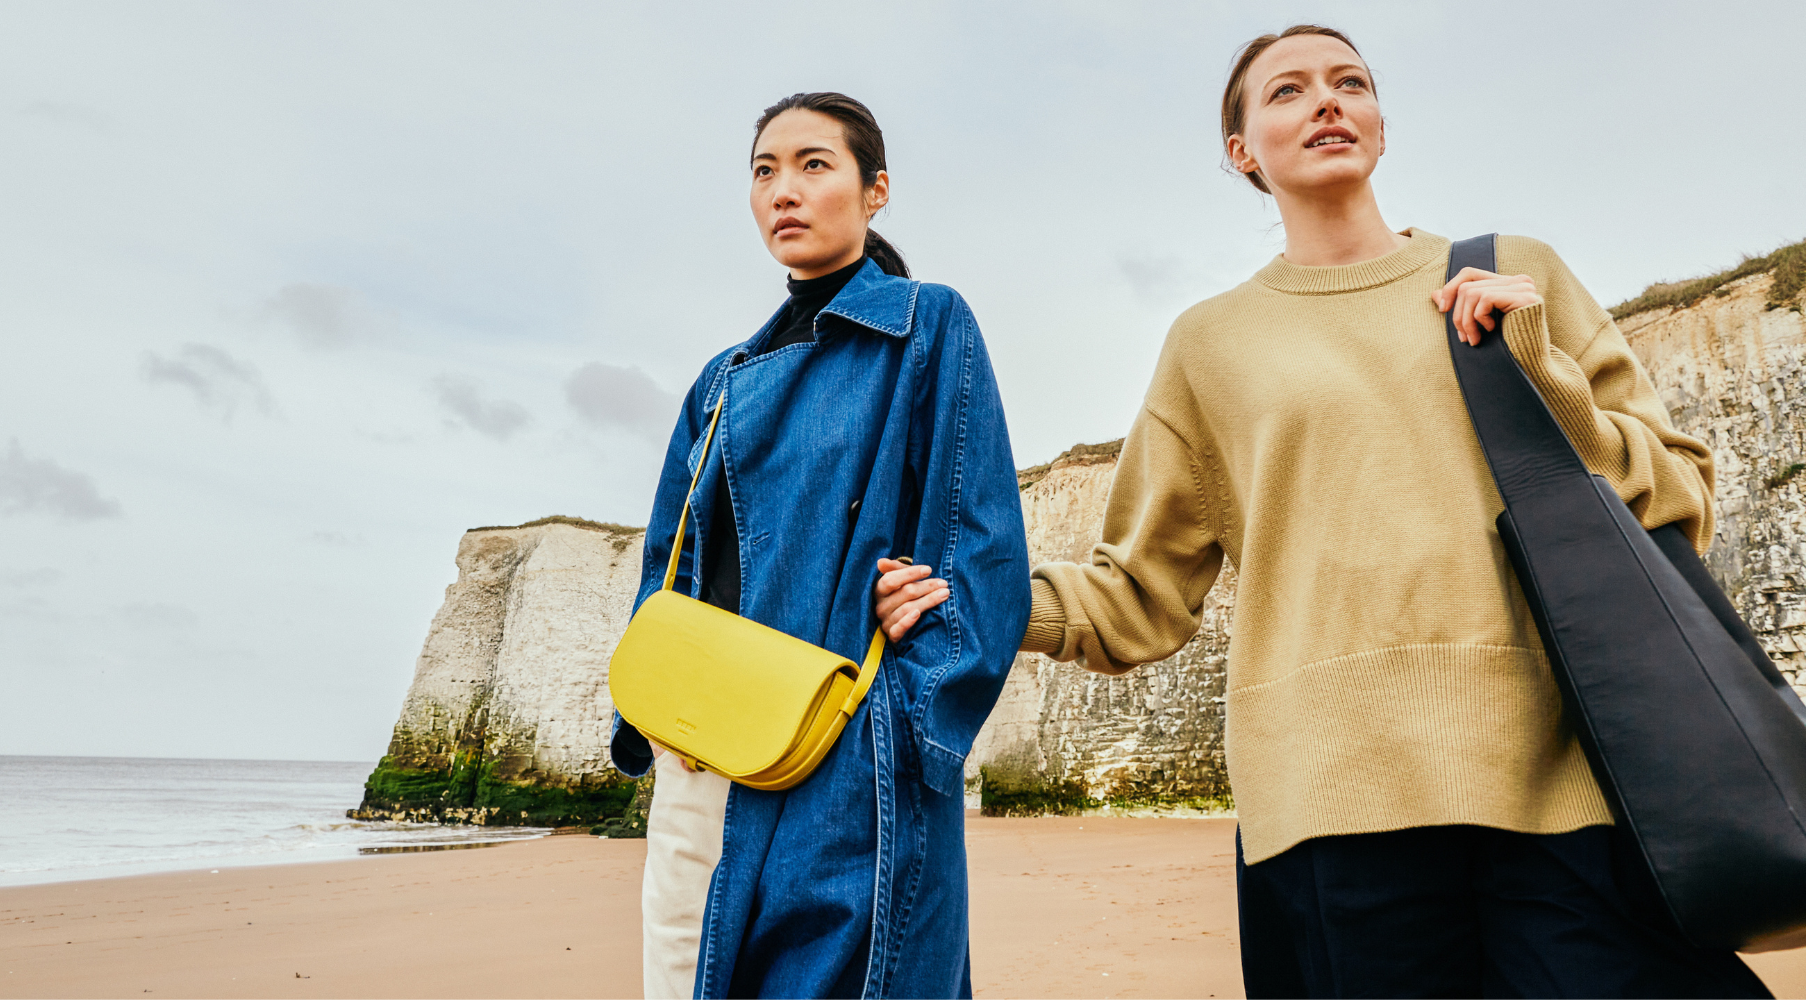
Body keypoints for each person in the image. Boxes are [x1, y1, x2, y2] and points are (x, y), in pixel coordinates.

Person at [876, 25, 1770, 999]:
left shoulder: (1516, 273)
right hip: (1326, 802)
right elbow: (1138, 592)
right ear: (1242, 151)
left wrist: (1536, 368)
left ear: (1380, 126)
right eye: (1288, 91)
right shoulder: (1208, 344)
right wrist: (968, 596)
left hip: (1558, 781)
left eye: (1350, 83)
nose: (1327, 102)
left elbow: (1676, 493)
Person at [608, 91, 1028, 999]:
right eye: (764, 172)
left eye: (813, 165)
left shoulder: (926, 324)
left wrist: (908, 720)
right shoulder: (719, 379)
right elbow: (670, 565)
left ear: (875, 192)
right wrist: (651, 717)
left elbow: (979, 546)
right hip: (698, 754)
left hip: (847, 750)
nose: (783, 191)